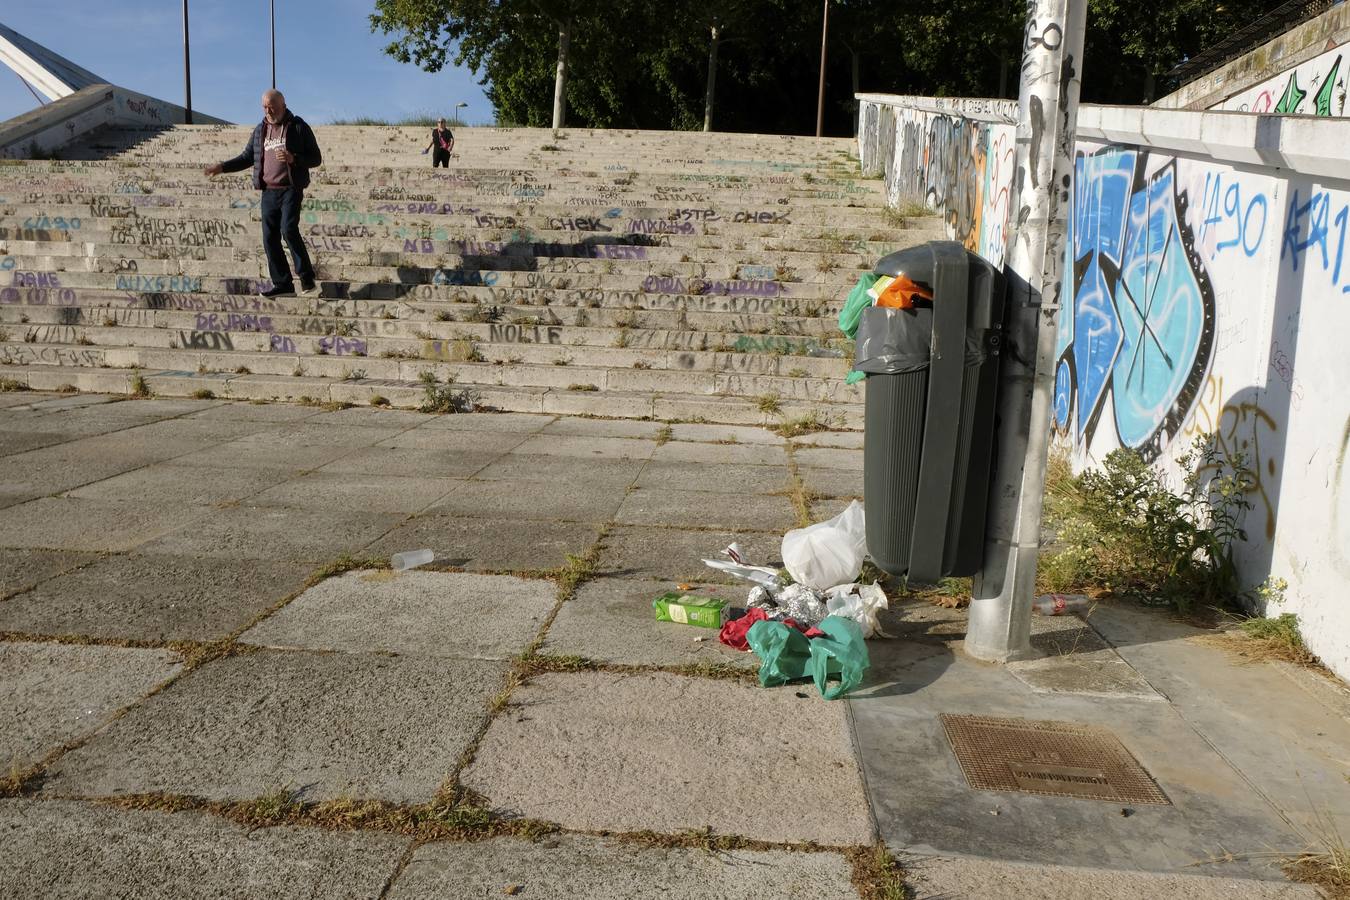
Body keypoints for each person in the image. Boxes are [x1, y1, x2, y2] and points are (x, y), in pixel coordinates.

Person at [203, 89, 322, 298]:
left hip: (291, 188)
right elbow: (247, 157)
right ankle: (283, 284)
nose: (269, 111)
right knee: (269, 238)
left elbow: (316, 158)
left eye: (273, 106)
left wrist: (294, 158)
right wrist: (221, 167)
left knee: (288, 229)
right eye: (265, 107)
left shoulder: (298, 126)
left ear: (283, 104)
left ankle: (307, 278)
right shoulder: (260, 130)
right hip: (268, 191)